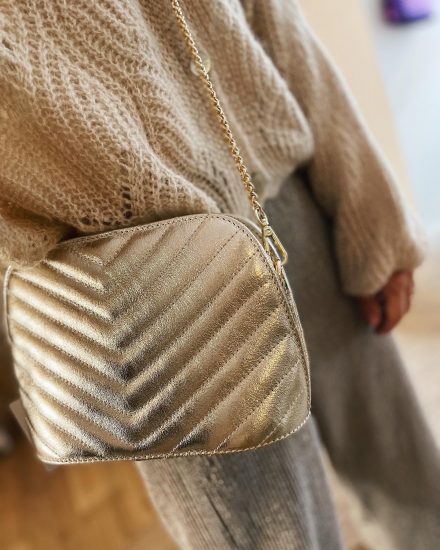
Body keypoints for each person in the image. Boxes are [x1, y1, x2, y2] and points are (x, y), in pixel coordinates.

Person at [1, 1, 438, 548]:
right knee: (276, 535)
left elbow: (278, 26)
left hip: (288, 208)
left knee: (405, 475)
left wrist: (372, 214)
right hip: (147, 301)